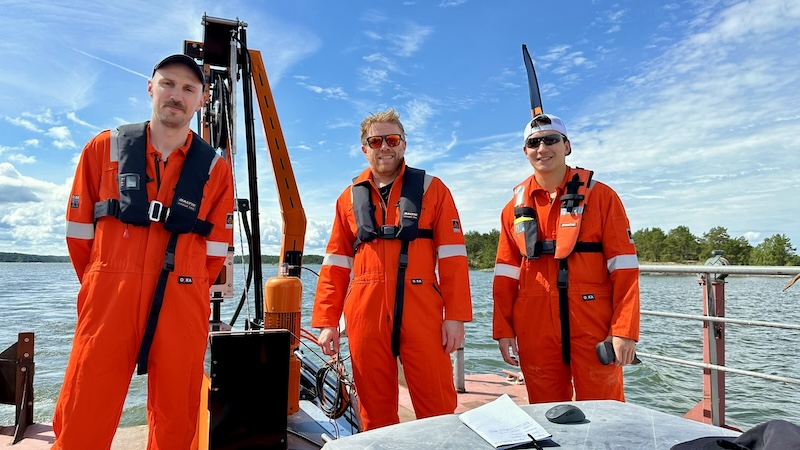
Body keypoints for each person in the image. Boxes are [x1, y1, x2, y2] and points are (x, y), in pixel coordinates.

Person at [54, 54, 234, 450]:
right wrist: (106, 277)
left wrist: (186, 281)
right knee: (84, 410)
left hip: (183, 297)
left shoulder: (216, 169)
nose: (177, 95)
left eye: (189, 89)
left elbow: (217, 249)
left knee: (176, 419)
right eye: (168, 84)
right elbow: (78, 234)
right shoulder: (104, 147)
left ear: (202, 100)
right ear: (150, 87)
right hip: (109, 295)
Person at [312, 108, 473, 430]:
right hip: (365, 308)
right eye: (376, 141)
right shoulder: (348, 198)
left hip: (422, 305)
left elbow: (453, 259)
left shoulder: (433, 189)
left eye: (392, 139)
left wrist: (455, 318)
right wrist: (327, 322)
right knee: (373, 405)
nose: (384, 147)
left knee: (438, 402)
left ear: (403, 144)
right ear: (364, 148)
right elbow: (335, 263)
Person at [492, 113, 640, 403]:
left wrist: (624, 330)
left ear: (567, 146)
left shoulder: (603, 197)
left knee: (604, 413)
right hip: (534, 328)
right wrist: (503, 329)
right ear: (525, 152)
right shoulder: (512, 209)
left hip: (592, 326)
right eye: (533, 143)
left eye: (551, 140)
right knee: (548, 415)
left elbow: (624, 270)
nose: (542, 148)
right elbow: (505, 275)